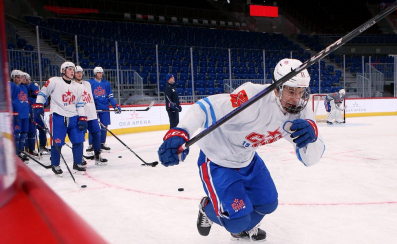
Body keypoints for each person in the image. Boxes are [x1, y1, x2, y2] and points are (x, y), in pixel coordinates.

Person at [157, 58, 325, 241]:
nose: (295, 98)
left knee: (269, 204)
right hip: (217, 160)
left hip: (247, 159)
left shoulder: (301, 111)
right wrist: (181, 132)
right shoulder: (252, 96)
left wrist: (313, 137)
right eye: (290, 91)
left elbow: (311, 159)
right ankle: (207, 207)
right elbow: (204, 108)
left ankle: (247, 224)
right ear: (277, 88)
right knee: (237, 223)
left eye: (300, 92)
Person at [33, 61, 88, 175]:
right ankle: (55, 164)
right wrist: (39, 104)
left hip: (73, 117)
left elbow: (79, 104)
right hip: (58, 116)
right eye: (69, 69)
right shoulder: (54, 81)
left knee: (78, 141)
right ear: (63, 70)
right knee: (57, 142)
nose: (72, 71)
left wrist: (82, 117)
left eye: (73, 69)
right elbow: (43, 93)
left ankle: (77, 163)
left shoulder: (77, 87)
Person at [74, 66, 108, 165]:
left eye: (80, 72)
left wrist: (95, 110)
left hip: (92, 115)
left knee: (97, 134)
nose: (79, 74)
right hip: (80, 115)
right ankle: (79, 157)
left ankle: (97, 155)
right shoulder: (71, 85)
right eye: (77, 72)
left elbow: (91, 98)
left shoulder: (87, 84)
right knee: (80, 137)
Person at [86, 66, 121, 152]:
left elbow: (110, 96)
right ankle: (91, 144)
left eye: (101, 73)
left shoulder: (106, 83)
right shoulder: (89, 83)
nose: (100, 74)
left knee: (104, 126)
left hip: (104, 107)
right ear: (95, 74)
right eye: (98, 73)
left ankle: (102, 143)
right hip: (94, 108)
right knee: (92, 126)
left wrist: (115, 105)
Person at [10, 70, 29, 162]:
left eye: (20, 77)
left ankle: (21, 151)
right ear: (13, 77)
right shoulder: (11, 85)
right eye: (17, 77)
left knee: (24, 134)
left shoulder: (23, 87)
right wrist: (13, 111)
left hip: (25, 114)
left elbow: (26, 101)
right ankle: (15, 153)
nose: (19, 79)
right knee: (16, 134)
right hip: (16, 114)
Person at [22, 73, 41, 156]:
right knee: (24, 132)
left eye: (27, 79)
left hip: (32, 111)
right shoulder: (21, 88)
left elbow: (37, 97)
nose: (27, 80)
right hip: (24, 112)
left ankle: (31, 149)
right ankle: (25, 148)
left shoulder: (32, 87)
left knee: (32, 131)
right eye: (25, 79)